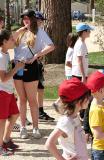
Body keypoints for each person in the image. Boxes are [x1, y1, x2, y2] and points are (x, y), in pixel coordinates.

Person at [14, 9, 55, 139]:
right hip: (17, 67)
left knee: (32, 100)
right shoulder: (19, 32)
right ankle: (23, 127)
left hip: (30, 66)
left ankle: (36, 128)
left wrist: (37, 55)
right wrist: (21, 29)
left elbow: (51, 46)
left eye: (28, 18)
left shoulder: (38, 31)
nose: (25, 20)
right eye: (24, 18)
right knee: (21, 99)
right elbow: (8, 40)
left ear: (33, 19)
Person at [45, 78, 91, 160]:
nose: (89, 99)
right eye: (87, 97)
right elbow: (49, 143)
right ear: (78, 101)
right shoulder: (66, 121)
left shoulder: (75, 117)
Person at [0, 30, 25, 156]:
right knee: (2, 120)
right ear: (4, 42)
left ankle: (5, 140)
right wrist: (16, 68)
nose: (13, 40)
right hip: (2, 92)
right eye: (11, 39)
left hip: (8, 91)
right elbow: (3, 78)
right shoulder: (0, 56)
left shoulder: (5, 54)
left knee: (15, 114)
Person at [34, 11, 55, 122]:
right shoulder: (36, 31)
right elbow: (51, 46)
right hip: (31, 64)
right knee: (30, 90)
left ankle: (39, 111)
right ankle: (35, 113)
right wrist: (39, 54)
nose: (41, 23)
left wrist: (39, 55)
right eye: (40, 20)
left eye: (41, 21)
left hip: (36, 63)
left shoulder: (39, 32)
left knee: (40, 88)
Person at [52, 33, 78, 112]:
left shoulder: (73, 49)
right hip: (71, 73)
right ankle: (60, 103)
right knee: (70, 91)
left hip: (71, 72)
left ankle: (59, 103)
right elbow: (68, 63)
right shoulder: (71, 50)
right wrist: (76, 67)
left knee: (71, 91)